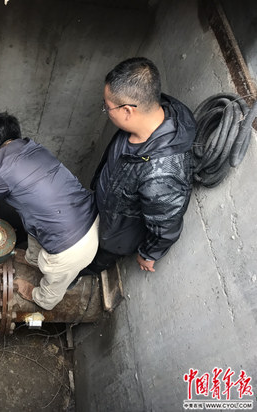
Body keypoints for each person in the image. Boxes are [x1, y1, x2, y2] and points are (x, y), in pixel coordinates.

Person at [0, 112, 99, 310]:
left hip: (71, 249)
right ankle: (33, 260)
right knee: (34, 223)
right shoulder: (35, 148)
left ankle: (39, 298)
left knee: (53, 286)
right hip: (90, 217)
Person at [83, 57, 196, 276]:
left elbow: (165, 224)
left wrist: (148, 254)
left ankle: (87, 273)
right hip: (103, 211)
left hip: (115, 237)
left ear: (127, 111)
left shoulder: (162, 174)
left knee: (95, 261)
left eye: (107, 107)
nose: (106, 111)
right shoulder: (146, 117)